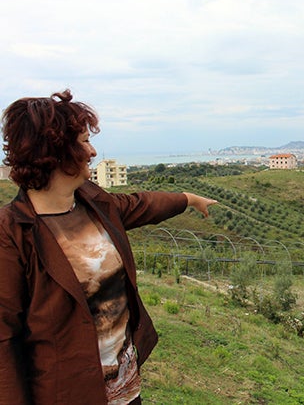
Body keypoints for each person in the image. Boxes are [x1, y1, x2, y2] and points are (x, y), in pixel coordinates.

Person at [0, 90, 217, 404]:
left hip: (126, 390)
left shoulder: (93, 203)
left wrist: (187, 199)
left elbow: (141, 205)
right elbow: (4, 339)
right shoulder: (12, 232)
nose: (92, 151)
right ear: (56, 151)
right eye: (84, 141)